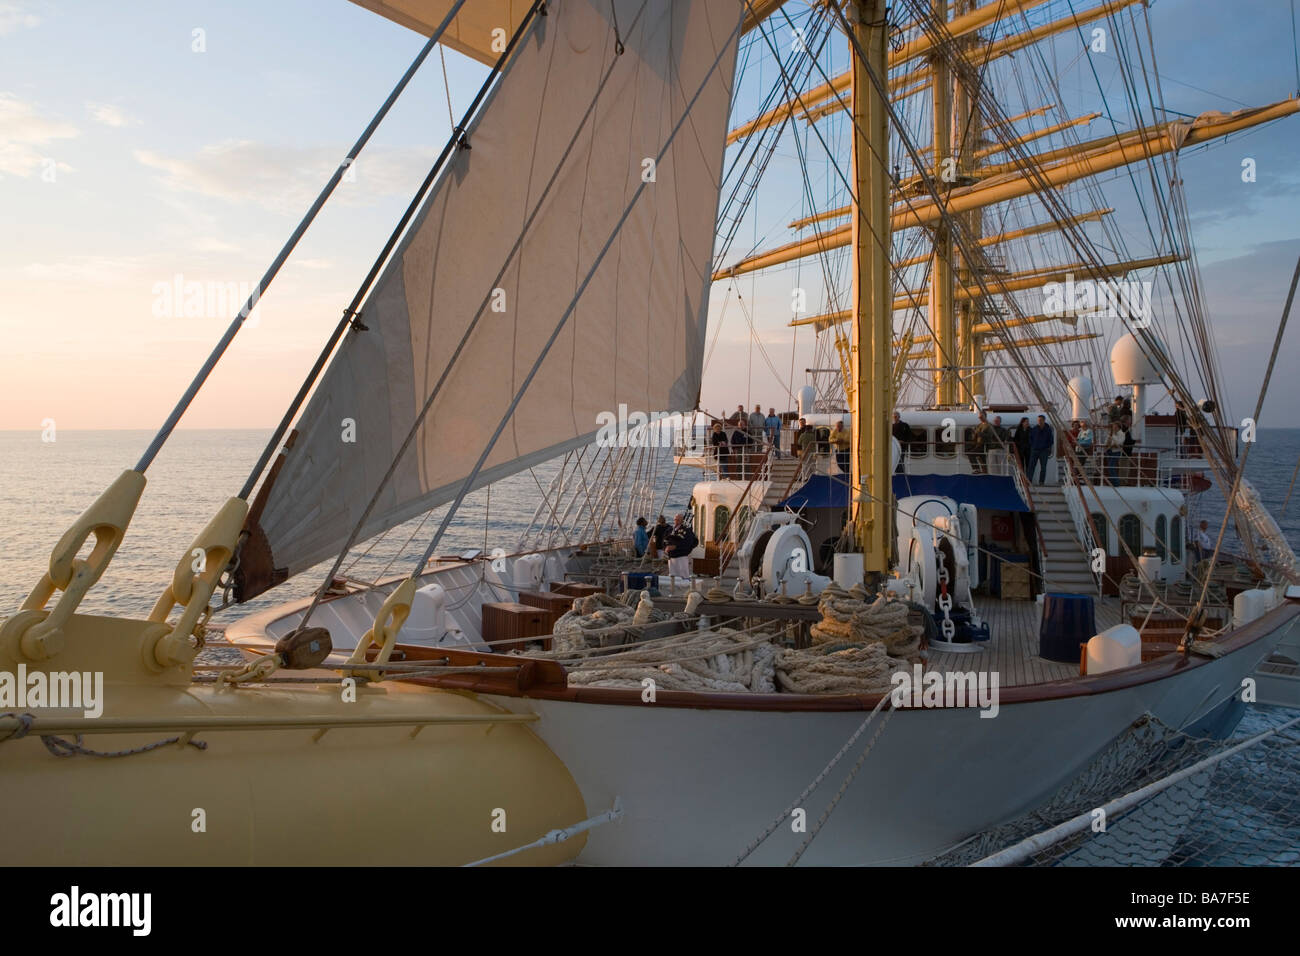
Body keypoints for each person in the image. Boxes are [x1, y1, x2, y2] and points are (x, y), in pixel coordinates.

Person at [664, 513, 698, 581]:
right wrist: (666, 547)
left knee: (683, 575)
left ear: (682, 521)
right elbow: (665, 539)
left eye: (678, 520)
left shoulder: (686, 530)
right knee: (672, 576)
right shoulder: (670, 530)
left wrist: (675, 547)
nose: (676, 521)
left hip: (681, 557)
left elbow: (688, 543)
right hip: (671, 557)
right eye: (675, 520)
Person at [1028, 414, 1053, 485]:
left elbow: (1051, 440)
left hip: (1044, 451)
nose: (1039, 421)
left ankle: (1041, 482)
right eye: (1038, 420)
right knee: (1031, 466)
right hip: (1035, 450)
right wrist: (1033, 446)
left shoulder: (1048, 430)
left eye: (1041, 420)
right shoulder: (1034, 429)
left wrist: (1045, 447)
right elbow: (1030, 439)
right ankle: (1029, 481)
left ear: (1044, 420)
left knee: (1043, 468)